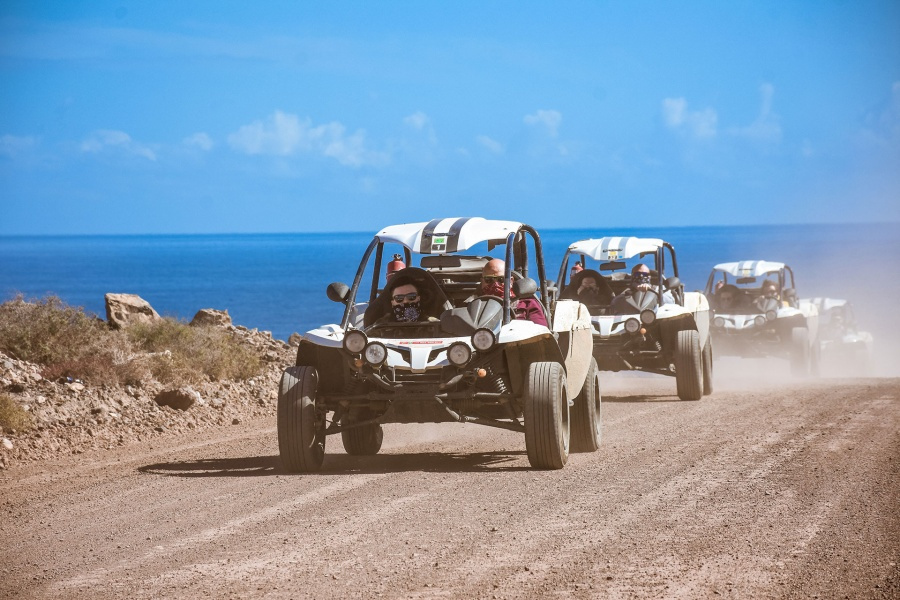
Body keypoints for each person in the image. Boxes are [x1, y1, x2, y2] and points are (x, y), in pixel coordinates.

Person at [478, 258, 548, 327]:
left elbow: (540, 333)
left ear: (511, 281)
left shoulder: (527, 304)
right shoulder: (474, 306)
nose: (495, 284)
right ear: (482, 282)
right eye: (488, 279)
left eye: (501, 279)